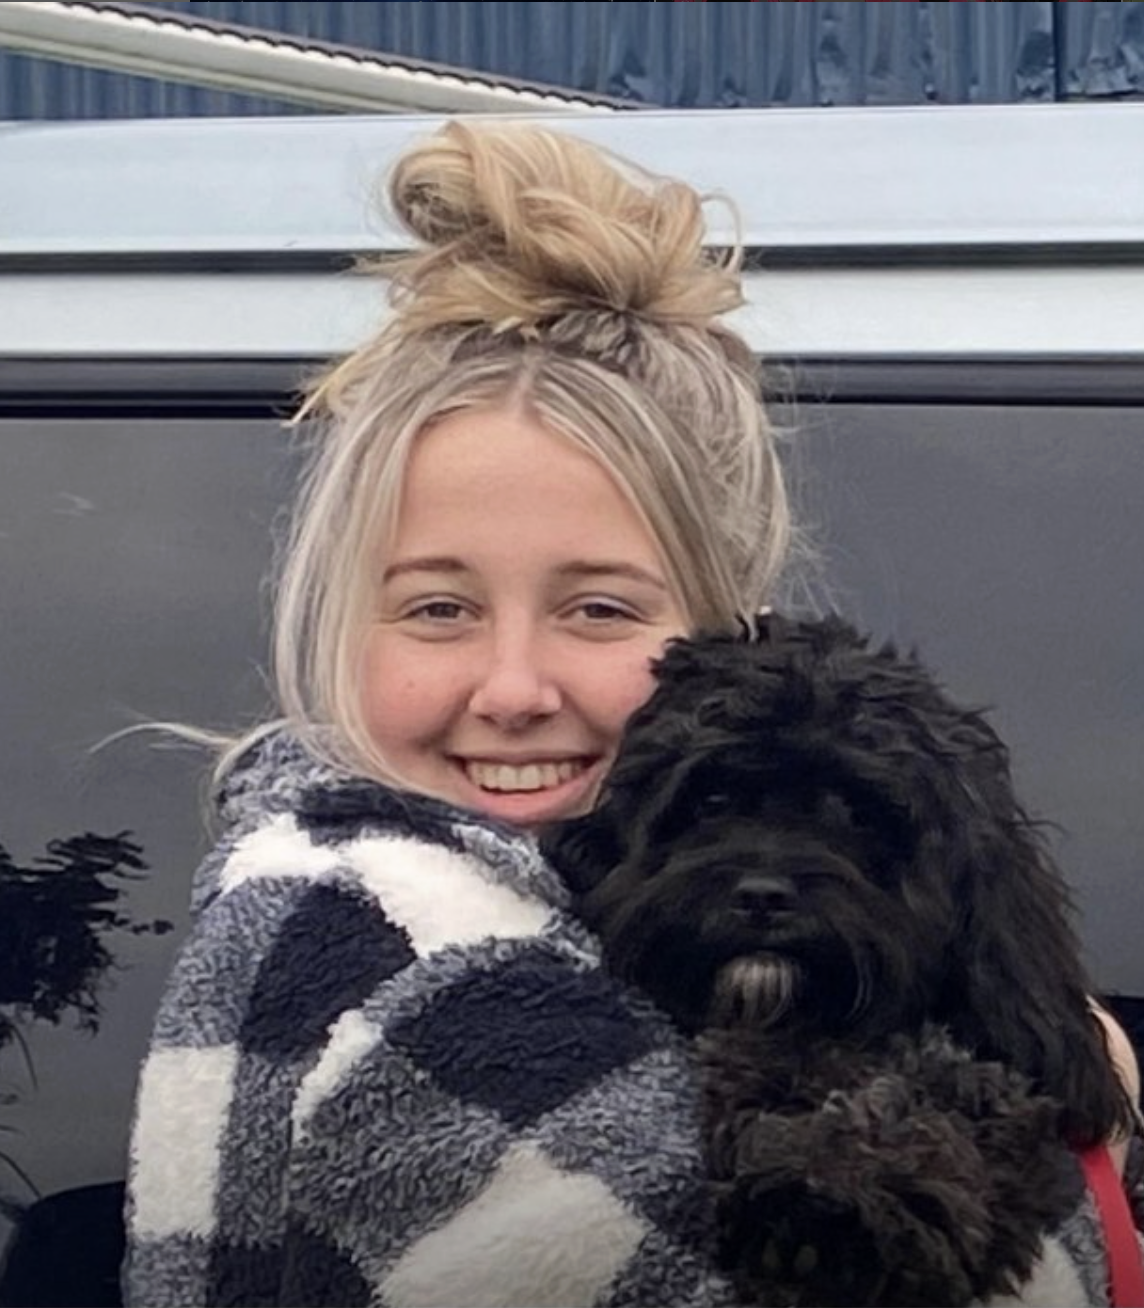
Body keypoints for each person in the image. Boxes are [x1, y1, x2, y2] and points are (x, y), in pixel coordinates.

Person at [122, 120, 1138, 1308]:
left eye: (598, 610)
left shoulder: (562, 906)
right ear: (338, 624)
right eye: (439, 608)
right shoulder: (377, 933)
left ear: (726, 630)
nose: (512, 689)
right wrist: (1087, 1133)